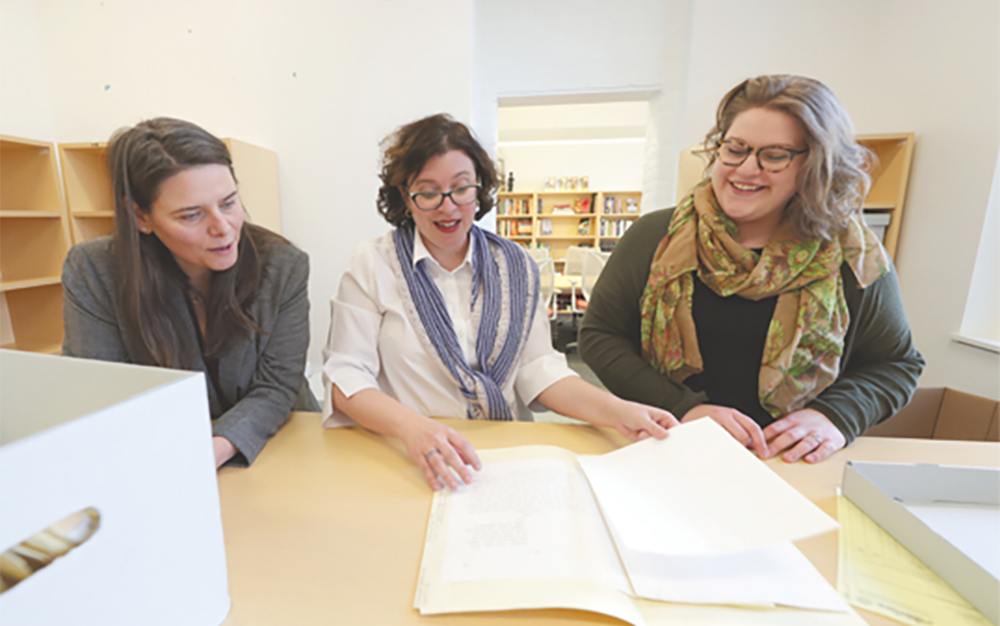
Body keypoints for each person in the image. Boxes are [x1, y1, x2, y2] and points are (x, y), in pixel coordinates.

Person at [322, 114, 678, 491]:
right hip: (412, 456)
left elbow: (538, 369)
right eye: (428, 192)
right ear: (405, 199)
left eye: (461, 188)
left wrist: (617, 411)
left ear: (480, 189)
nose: (448, 207)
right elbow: (346, 376)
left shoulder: (516, 265)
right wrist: (413, 428)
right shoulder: (372, 264)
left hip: (503, 457)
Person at [580, 75, 924, 465]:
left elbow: (896, 364)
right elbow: (600, 336)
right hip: (670, 445)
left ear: (815, 163)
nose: (746, 169)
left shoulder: (852, 254)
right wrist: (683, 409)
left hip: (788, 462)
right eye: (735, 148)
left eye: (774, 155)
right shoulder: (655, 235)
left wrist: (836, 417)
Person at [62, 117, 318, 468]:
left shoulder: (283, 265)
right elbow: (101, 390)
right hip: (160, 447)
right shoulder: (94, 270)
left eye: (229, 203)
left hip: (274, 442)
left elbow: (276, 387)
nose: (224, 228)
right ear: (141, 217)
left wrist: (211, 451)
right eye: (192, 215)